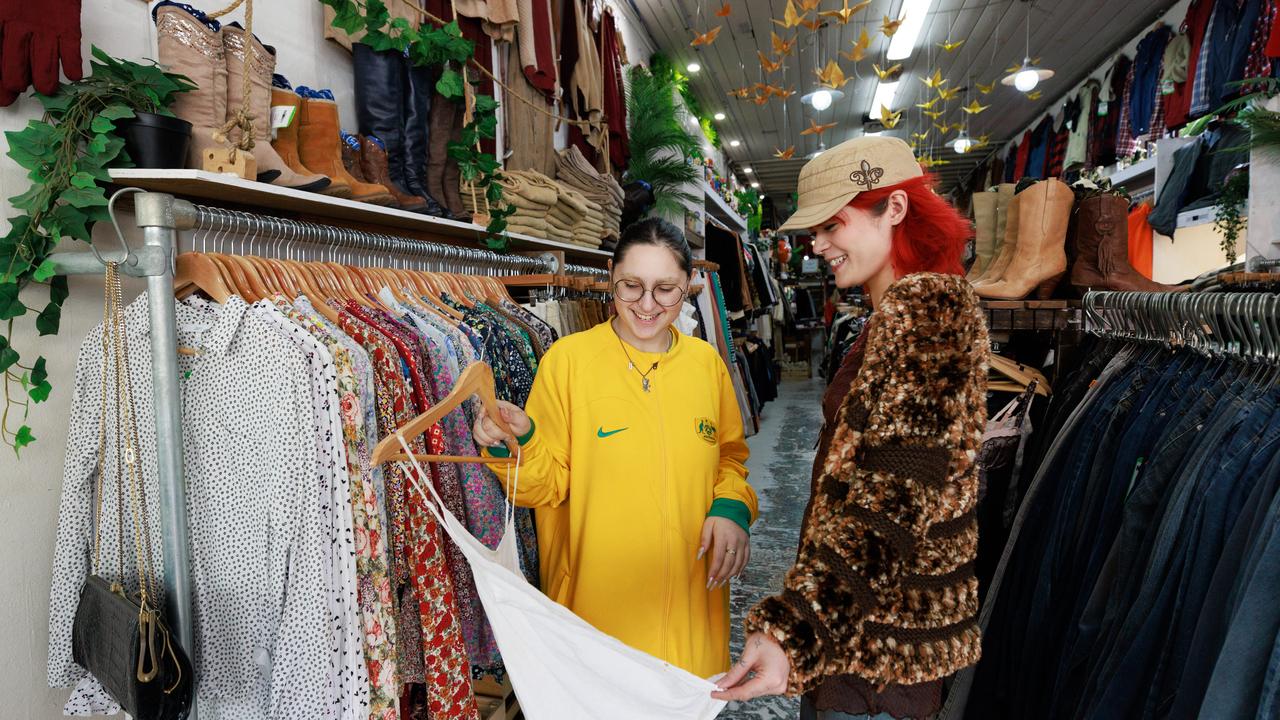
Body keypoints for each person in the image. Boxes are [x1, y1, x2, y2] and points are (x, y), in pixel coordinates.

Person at [712, 136, 990, 719]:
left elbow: (893, 501)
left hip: (882, 655)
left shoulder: (928, 314)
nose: (817, 245)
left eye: (832, 225)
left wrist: (798, 629)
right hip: (864, 631)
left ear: (893, 209)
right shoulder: (890, 316)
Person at [472, 217, 758, 679]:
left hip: (693, 617)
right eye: (631, 287)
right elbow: (543, 486)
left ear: (688, 284)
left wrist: (731, 508)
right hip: (596, 622)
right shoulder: (568, 362)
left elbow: (730, 456)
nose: (647, 305)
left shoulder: (706, 364)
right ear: (611, 277)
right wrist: (514, 440)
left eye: (666, 289)